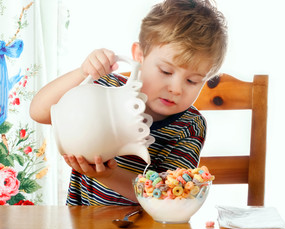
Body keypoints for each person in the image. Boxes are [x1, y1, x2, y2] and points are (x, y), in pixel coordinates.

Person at [29, 0, 227, 205]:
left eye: (192, 81)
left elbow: (169, 195)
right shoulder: (105, 89)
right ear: (139, 55)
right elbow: (39, 112)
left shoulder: (189, 126)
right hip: (83, 223)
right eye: (166, 71)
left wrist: (107, 176)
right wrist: (83, 72)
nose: (176, 89)